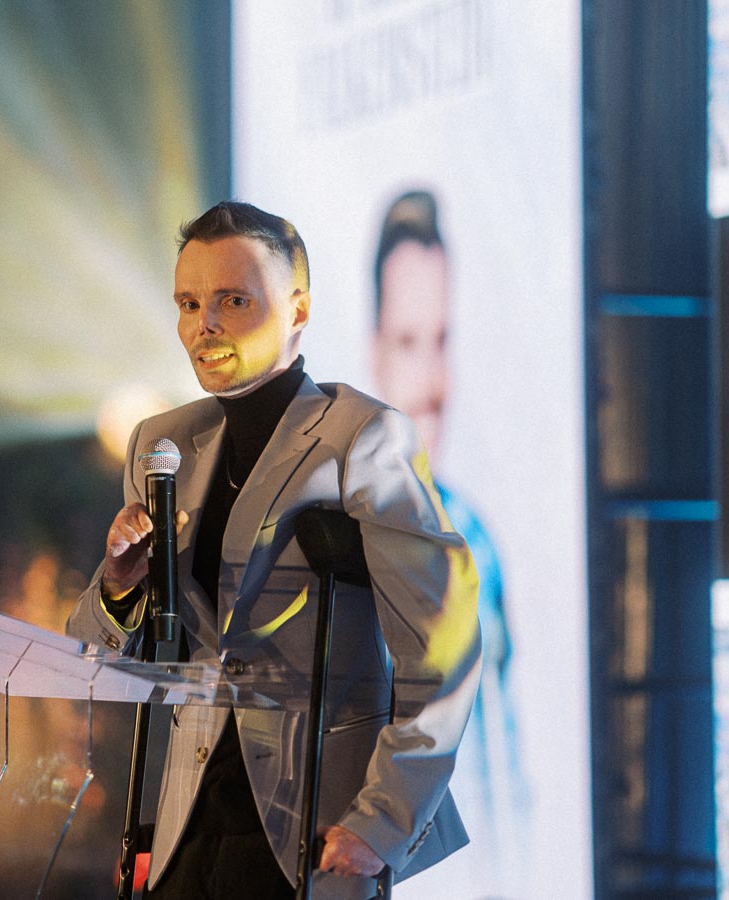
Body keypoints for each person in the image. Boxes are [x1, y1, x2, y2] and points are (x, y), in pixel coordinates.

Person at [67, 201, 481, 899]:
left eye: (233, 299)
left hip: (311, 834)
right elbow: (93, 657)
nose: (206, 324)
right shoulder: (162, 446)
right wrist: (118, 587)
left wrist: (380, 824)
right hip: (185, 833)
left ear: (298, 310)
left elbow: (447, 641)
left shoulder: (362, 439)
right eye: (189, 302)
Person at [370, 190, 525, 882]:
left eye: (442, 341)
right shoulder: (333, 546)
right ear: (375, 354)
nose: (433, 384)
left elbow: (508, 789)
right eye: (409, 343)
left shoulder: (480, 551)